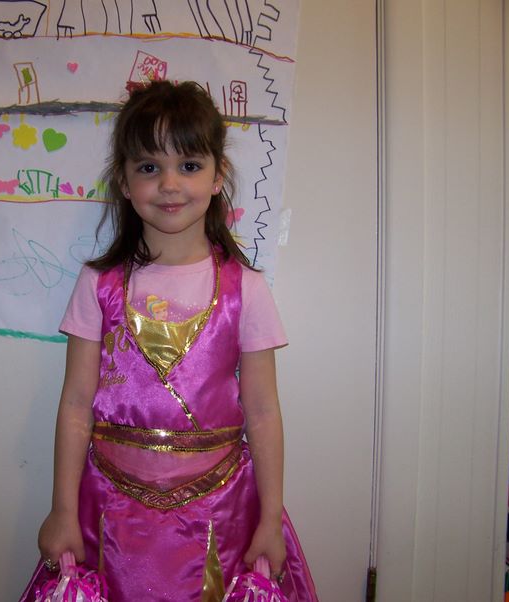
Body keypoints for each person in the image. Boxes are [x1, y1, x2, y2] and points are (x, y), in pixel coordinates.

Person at [22, 80, 318, 601]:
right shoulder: (98, 284)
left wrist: (269, 517)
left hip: (222, 517)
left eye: (189, 165)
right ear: (123, 180)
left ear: (218, 176)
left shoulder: (246, 290)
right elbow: (75, 405)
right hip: (108, 514)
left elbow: (263, 411)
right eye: (148, 167)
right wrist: (63, 510)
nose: (170, 184)